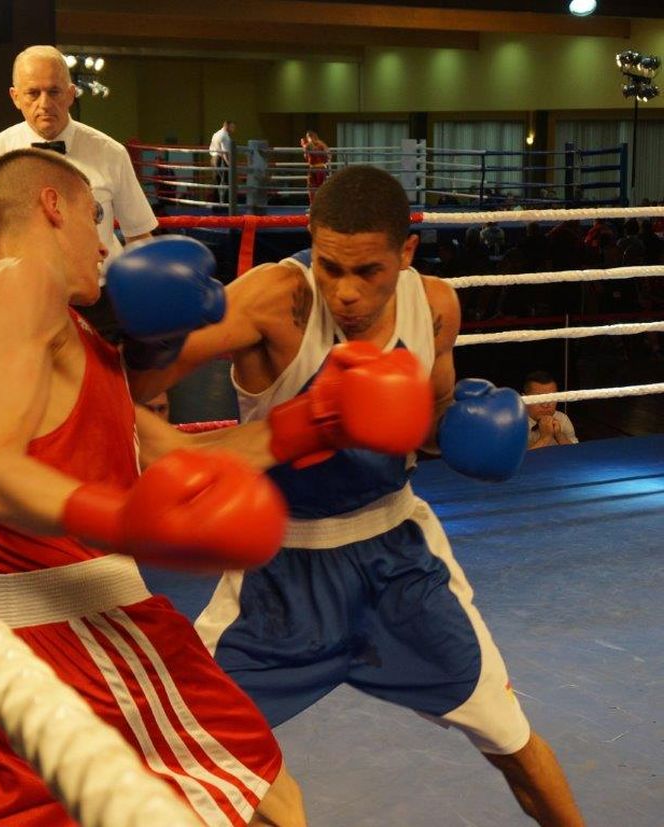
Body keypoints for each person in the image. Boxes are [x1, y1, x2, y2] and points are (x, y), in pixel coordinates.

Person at [127, 166, 586, 826]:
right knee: (183, 755)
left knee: (513, 741)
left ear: (406, 252)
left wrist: (459, 432)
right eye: (329, 266)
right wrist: (167, 432)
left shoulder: (434, 307)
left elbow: (430, 422)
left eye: (367, 271)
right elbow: (128, 381)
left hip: (399, 565)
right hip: (279, 573)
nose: (344, 292)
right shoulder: (275, 299)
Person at [0, 148, 312, 827]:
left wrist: (316, 424)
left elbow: (175, 456)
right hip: (82, 628)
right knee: (265, 794)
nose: (103, 244)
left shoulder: (65, 335)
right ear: (52, 206)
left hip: (3, 636)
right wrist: (126, 520)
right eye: (96, 218)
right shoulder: (17, 283)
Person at [0, 45, 157, 275]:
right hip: (22, 291)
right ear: (16, 97)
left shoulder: (111, 153)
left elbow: (139, 235)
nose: (45, 103)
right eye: (33, 93)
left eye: (54, 92)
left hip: (100, 290)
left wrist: (136, 291)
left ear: (70, 94)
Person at [524, 370, 579, 450]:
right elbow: (514, 457)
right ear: (525, 400)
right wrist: (545, 437)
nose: (546, 405)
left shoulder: (562, 419)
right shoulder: (515, 424)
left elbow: (576, 452)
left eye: (551, 398)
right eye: (538, 399)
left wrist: (559, 435)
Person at [299, 130, 330, 204]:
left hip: (315, 168)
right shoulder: (322, 144)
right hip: (321, 168)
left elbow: (308, 156)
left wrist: (304, 145)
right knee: (320, 188)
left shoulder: (310, 145)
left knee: (312, 188)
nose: (308, 138)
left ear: (311, 137)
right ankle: (320, 205)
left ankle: (314, 206)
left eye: (308, 137)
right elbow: (328, 156)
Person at [209, 120, 235, 205]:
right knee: (228, 181)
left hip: (214, 158)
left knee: (217, 182)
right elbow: (224, 152)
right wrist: (229, 164)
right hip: (220, 159)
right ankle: (227, 204)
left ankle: (216, 204)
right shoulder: (225, 136)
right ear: (226, 125)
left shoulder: (216, 134)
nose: (233, 129)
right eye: (232, 127)